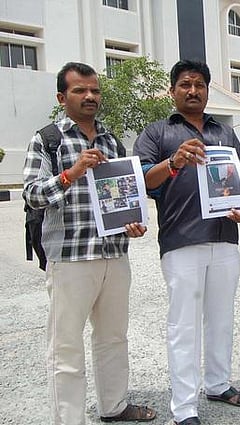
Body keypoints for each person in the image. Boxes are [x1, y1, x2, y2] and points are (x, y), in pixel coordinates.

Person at [23, 62, 155, 424]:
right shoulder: (48, 139)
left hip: (114, 254)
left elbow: (123, 195)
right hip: (71, 258)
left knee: (113, 336)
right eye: (80, 90)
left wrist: (132, 223)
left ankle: (114, 406)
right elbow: (32, 194)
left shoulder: (111, 141)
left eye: (94, 90)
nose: (90, 96)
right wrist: (71, 174)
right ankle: (70, 419)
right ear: (61, 97)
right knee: (66, 345)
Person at [133, 60, 240, 425]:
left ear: (207, 90)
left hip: (225, 239)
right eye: (185, 84)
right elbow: (141, 180)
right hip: (182, 240)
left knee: (221, 319)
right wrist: (173, 162)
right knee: (184, 326)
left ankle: (218, 384)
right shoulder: (157, 132)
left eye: (200, 84)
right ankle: (184, 409)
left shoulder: (225, 133)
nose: (193, 90)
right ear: (172, 91)